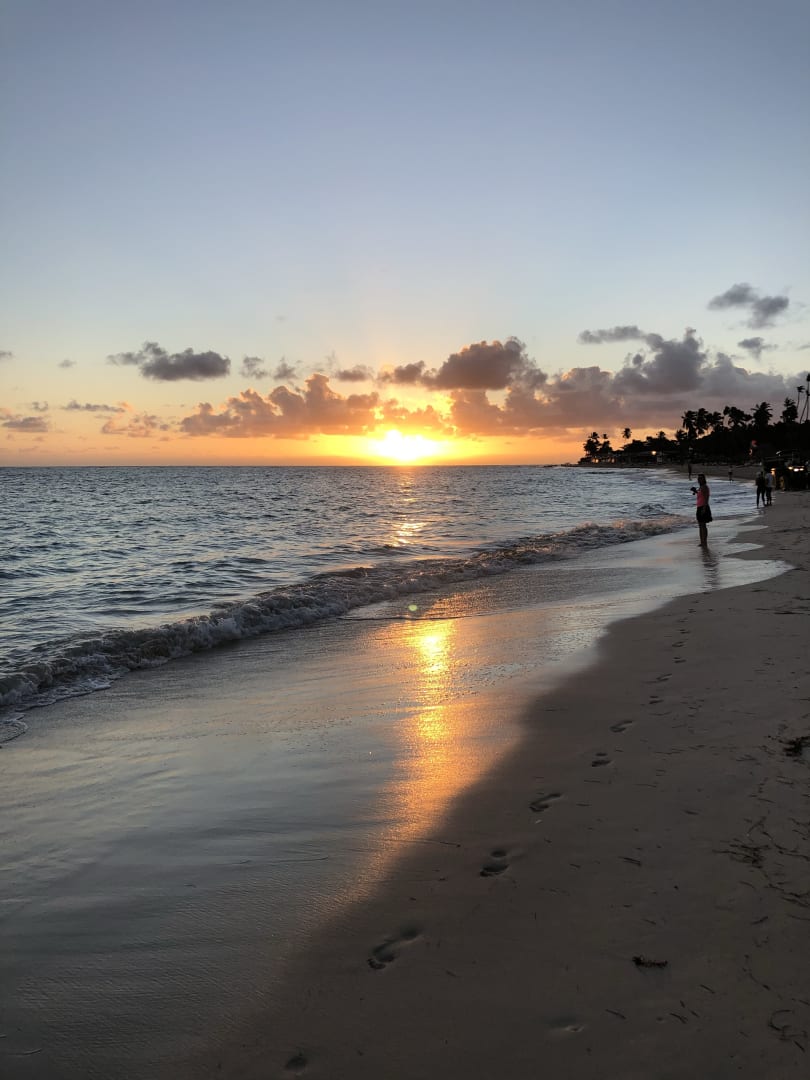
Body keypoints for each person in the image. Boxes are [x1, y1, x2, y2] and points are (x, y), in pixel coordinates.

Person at [692, 473, 711, 547]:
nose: (699, 479)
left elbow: (706, 498)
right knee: (700, 525)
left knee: (703, 525)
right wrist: (695, 491)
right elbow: (700, 495)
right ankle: (702, 542)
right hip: (699, 506)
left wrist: (704, 508)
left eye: (700, 478)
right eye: (698, 478)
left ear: (704, 479)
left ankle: (704, 542)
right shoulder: (701, 487)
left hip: (703, 507)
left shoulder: (704, 487)